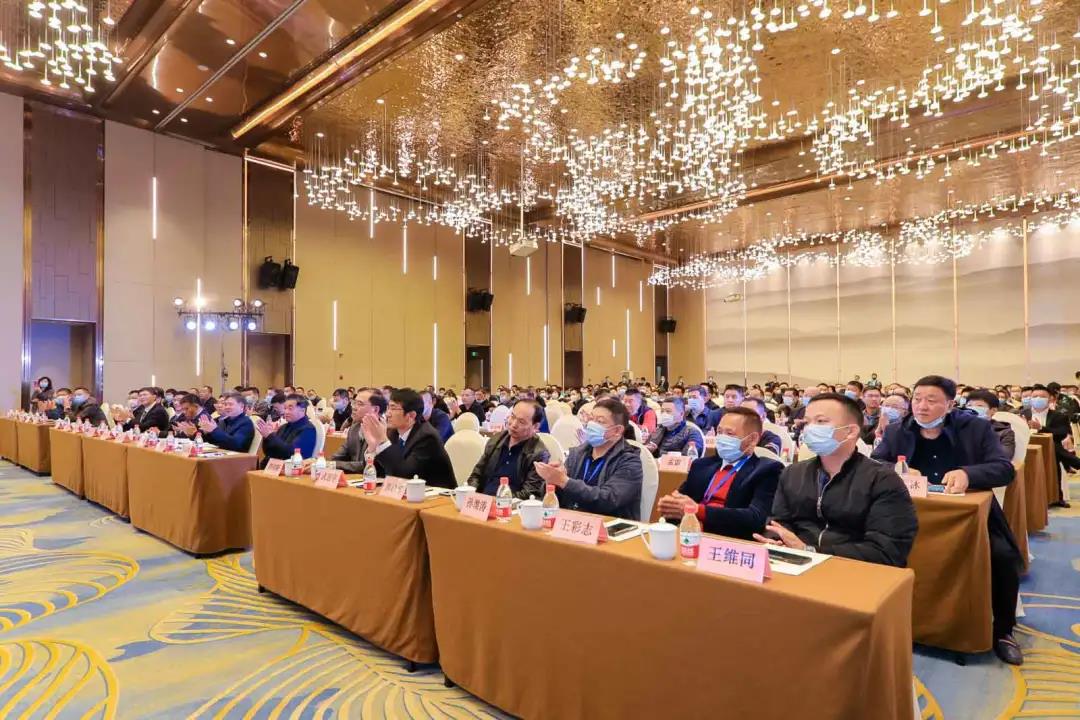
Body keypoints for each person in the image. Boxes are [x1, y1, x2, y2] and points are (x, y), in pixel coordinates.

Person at [872, 375, 1022, 666]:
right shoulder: (897, 430)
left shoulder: (975, 428)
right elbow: (876, 462)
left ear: (951, 405)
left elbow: (1004, 469)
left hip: (967, 516)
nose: (922, 406)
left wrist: (969, 473)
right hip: (909, 514)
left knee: (1003, 557)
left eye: (931, 400)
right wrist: (896, 470)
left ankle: (1003, 631)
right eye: (917, 399)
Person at [759, 392, 917, 567]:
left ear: (850, 431)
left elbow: (887, 550)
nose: (810, 429)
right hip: (794, 564)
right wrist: (777, 541)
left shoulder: (882, 480)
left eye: (821, 421)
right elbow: (778, 522)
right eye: (807, 422)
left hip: (854, 570)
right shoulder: (793, 473)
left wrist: (810, 551)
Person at [656, 407, 782, 539]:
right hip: (691, 535)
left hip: (729, 540)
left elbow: (756, 518)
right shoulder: (701, 465)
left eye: (730, 434)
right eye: (719, 432)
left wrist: (699, 511)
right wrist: (671, 506)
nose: (721, 438)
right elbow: (680, 504)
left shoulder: (767, 470)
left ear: (752, 439)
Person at [534, 397, 643, 519]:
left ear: (617, 430)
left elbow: (608, 500)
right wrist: (553, 480)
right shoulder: (578, 453)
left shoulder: (630, 461)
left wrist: (564, 481)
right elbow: (559, 498)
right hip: (573, 521)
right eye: (591, 419)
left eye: (600, 421)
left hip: (608, 525)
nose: (592, 425)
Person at [360, 387, 455, 487]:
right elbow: (378, 472)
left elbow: (405, 475)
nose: (387, 414)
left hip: (437, 494)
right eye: (388, 408)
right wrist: (373, 447)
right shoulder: (393, 433)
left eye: (393, 408)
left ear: (411, 415)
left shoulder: (427, 437)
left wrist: (383, 441)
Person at [467, 400, 551, 499]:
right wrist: (472, 494)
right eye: (513, 417)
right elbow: (476, 475)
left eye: (521, 422)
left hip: (511, 505)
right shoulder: (496, 439)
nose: (514, 424)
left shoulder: (539, 454)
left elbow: (529, 494)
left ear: (535, 426)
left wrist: (499, 502)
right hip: (483, 501)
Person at [1021, 384, 1079, 506]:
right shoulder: (1022, 414)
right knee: (1057, 451)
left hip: (1050, 448)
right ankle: (1074, 461)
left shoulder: (1059, 416)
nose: (1038, 399)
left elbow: (1062, 433)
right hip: (1027, 448)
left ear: (1050, 399)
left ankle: (1057, 497)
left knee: (1054, 452)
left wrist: (1041, 428)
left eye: (1042, 397)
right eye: (1035, 396)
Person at [329, 389, 387, 473]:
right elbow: (338, 456)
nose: (354, 407)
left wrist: (332, 465)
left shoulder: (385, 432)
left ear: (375, 409)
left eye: (360, 404)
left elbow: (368, 465)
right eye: (354, 403)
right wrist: (320, 463)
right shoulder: (354, 428)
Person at [257, 393, 317, 465]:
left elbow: (292, 453)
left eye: (290, 408)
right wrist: (266, 437)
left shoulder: (308, 429)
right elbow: (268, 452)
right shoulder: (283, 427)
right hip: (273, 465)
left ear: (302, 410)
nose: (286, 412)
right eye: (285, 408)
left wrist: (270, 436)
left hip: (290, 468)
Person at [966, 389, 1017, 459]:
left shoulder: (1004, 433)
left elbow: (1003, 457)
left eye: (979, 406)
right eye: (969, 406)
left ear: (993, 410)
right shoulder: (958, 428)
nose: (973, 409)